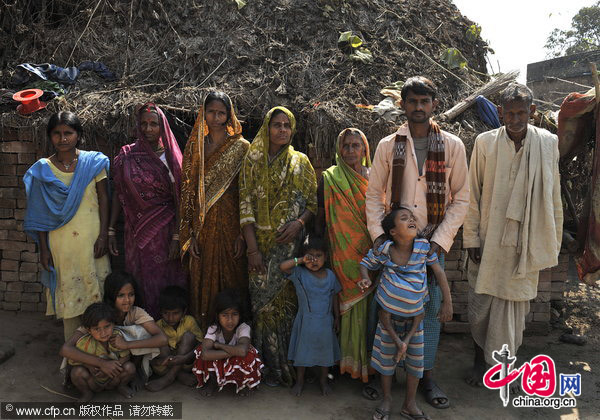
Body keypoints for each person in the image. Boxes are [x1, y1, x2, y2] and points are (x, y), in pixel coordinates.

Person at [365, 76, 468, 409]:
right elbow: (374, 195)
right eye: (413, 101)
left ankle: (426, 377)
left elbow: (462, 198)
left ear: (434, 105)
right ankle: (383, 380)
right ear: (403, 105)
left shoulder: (452, 145)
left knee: (428, 312)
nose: (419, 107)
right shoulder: (386, 146)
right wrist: (381, 237)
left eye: (425, 101)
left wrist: (440, 240)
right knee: (385, 310)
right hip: (394, 246)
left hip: (429, 246)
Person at [463, 83, 563, 387]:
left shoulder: (548, 143)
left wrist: (551, 240)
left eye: (522, 112)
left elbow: (553, 194)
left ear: (532, 112)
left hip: (525, 242)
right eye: (510, 113)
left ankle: (504, 369)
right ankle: (480, 363)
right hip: (488, 239)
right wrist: (471, 239)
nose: (516, 118)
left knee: (515, 310)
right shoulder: (485, 143)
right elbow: (472, 193)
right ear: (500, 112)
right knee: (481, 307)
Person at [239, 106, 317, 387]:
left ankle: (288, 366)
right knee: (263, 307)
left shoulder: (301, 162)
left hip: (291, 251)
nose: (282, 130)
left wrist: (299, 223)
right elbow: (245, 207)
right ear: (267, 128)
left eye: (287, 125)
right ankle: (267, 367)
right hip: (258, 249)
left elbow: (312, 205)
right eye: (277, 125)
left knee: (288, 306)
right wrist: (252, 250)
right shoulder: (252, 161)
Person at [24, 111, 111, 341]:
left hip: (92, 239)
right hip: (61, 243)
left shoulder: (93, 163)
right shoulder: (42, 170)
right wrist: (43, 248)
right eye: (57, 134)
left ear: (78, 135)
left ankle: (100, 347)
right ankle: (74, 352)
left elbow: (104, 199)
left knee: (96, 293)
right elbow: (39, 214)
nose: (63, 139)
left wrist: (104, 235)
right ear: (50, 136)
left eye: (68, 133)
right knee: (69, 291)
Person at [360, 208, 450, 420]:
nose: (411, 219)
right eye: (404, 218)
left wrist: (448, 302)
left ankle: (409, 403)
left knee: (415, 364)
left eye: (412, 217)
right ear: (392, 231)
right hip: (388, 321)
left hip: (415, 322)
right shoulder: (385, 250)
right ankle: (387, 399)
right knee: (385, 362)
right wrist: (364, 278)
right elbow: (365, 264)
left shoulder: (423, 248)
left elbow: (439, 272)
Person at [108, 103, 187, 318]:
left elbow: (181, 199)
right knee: (140, 281)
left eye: (153, 124)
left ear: (163, 127)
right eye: (143, 124)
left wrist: (177, 237)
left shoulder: (172, 158)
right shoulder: (127, 155)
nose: (148, 129)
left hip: (167, 232)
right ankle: (144, 329)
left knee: (166, 281)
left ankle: (169, 331)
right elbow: (118, 192)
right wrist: (111, 230)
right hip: (136, 233)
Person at [180, 91, 250, 330]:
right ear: (203, 113)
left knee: (234, 276)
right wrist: (190, 233)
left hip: (232, 225)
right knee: (202, 277)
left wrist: (243, 233)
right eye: (212, 112)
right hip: (203, 226)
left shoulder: (241, 148)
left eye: (222, 112)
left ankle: (237, 335)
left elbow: (247, 191)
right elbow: (187, 193)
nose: (216, 117)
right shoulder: (195, 148)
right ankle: (205, 335)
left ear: (229, 115)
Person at [315, 128, 374, 387]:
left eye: (355, 146)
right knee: (342, 310)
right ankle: (342, 367)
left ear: (364, 150)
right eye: (346, 146)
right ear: (339, 150)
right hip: (340, 253)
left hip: (368, 257)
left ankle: (366, 368)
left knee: (368, 314)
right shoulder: (330, 178)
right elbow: (320, 217)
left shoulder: (375, 179)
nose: (350, 151)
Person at [61, 272, 168, 391]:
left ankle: (134, 374)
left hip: (123, 362)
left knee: (141, 332)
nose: (127, 300)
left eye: (131, 294)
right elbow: (66, 349)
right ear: (112, 296)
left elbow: (162, 339)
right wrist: (101, 364)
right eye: (121, 295)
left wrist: (127, 344)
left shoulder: (136, 312)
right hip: (97, 364)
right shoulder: (99, 314)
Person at [280, 235, 341, 396]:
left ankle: (323, 381)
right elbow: (283, 267)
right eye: (310, 257)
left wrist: (337, 317)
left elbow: (334, 295)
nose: (314, 261)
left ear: (326, 257)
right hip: (305, 322)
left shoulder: (330, 275)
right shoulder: (299, 273)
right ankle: (300, 381)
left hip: (325, 323)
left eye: (318, 256)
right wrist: (300, 260)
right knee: (302, 353)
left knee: (325, 353)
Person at [193, 289, 263, 396]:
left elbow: (243, 351)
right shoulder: (214, 328)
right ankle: (213, 382)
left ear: (240, 315)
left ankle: (242, 383)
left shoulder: (243, 328)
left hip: (233, 358)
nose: (230, 320)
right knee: (200, 352)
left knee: (249, 354)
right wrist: (235, 351)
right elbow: (205, 354)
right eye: (225, 315)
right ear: (217, 315)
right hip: (220, 357)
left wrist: (219, 345)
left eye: (234, 314)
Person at [63, 302, 136, 402]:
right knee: (76, 372)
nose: (103, 333)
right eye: (97, 329)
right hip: (93, 381)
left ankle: (121, 386)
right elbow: (72, 361)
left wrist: (113, 367)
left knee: (130, 367)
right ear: (89, 330)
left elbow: (126, 356)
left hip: (113, 378)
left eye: (107, 327)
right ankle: (86, 392)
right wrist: (89, 365)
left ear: (113, 324)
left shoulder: (117, 337)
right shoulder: (85, 343)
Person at [146, 285, 203, 391]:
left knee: (189, 336)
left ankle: (170, 377)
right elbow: (150, 356)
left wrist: (185, 358)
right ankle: (177, 375)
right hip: (164, 366)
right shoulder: (157, 325)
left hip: (185, 363)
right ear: (160, 311)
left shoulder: (189, 321)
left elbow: (201, 345)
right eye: (166, 313)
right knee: (160, 339)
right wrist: (160, 361)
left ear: (184, 311)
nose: (170, 318)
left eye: (175, 313)